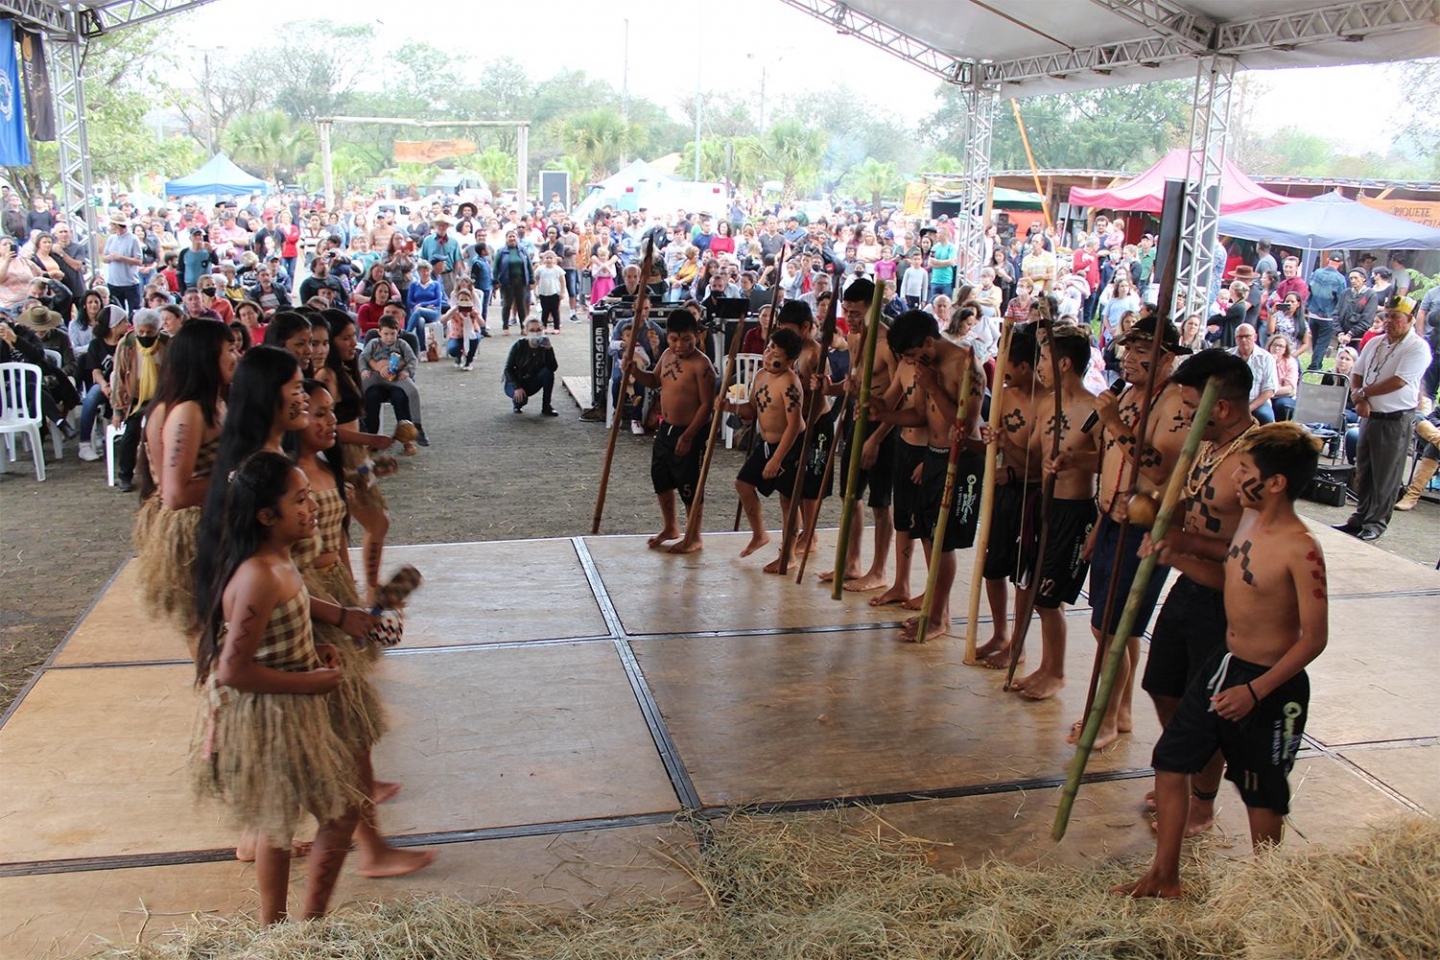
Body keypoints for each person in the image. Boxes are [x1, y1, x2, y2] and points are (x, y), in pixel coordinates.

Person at [1117, 423, 1326, 900]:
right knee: (1170, 761)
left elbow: (1315, 639)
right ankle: (1164, 876)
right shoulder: (1251, 519)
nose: (1235, 478)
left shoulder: (1301, 548)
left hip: (1270, 685)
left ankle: (1266, 892)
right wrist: (1175, 554)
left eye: (1245, 470)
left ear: (1276, 482)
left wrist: (1256, 691)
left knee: (1261, 790)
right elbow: (1233, 575)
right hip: (1225, 664)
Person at [190, 451, 363, 924]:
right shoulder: (259, 575)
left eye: (309, 496)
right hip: (269, 715)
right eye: (300, 500)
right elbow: (233, 670)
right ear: (267, 516)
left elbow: (279, 629)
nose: (312, 507)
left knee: (324, 814)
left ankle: (304, 924)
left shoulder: (279, 562)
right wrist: (308, 681)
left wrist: (314, 651)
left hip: (290, 705)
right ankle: (276, 927)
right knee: (284, 820)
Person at [293, 380, 437, 879]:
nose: (329, 422)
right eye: (313, 412)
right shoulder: (284, 476)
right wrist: (333, 617)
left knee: (349, 730)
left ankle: (358, 841)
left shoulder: (323, 464)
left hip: (332, 594)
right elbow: (280, 563)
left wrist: (360, 601)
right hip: (308, 607)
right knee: (342, 731)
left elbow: (342, 526)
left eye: (329, 412)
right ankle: (366, 847)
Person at [1138, 347, 1257, 836]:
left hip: (1228, 602)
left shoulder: (1256, 461)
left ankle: (1202, 804)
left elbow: (1253, 552)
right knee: (1162, 686)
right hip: (1188, 584)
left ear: (1221, 408)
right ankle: (1184, 769)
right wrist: (1152, 509)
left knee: (1207, 707)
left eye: (1191, 407)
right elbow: (1186, 499)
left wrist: (1181, 545)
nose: (1185, 416)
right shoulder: (1207, 446)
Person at [1082, 314, 1190, 732]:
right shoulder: (1127, 394)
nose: (1127, 358)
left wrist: (1113, 421)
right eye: (1127, 348)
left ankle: (1107, 718)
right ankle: (1120, 711)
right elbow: (1113, 460)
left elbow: (1157, 468)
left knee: (1110, 630)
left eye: (1141, 351)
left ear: (1166, 359)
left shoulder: (1175, 402)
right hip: (1112, 519)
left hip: (1142, 527)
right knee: (1118, 630)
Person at [870, 309, 983, 643]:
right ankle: (937, 611)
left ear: (929, 342)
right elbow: (920, 415)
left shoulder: (967, 366)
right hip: (932, 454)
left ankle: (937, 617)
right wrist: (882, 413)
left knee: (943, 541)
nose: (909, 362)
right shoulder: (926, 366)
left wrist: (932, 386)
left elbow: (964, 427)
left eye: (911, 355)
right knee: (930, 536)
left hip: (960, 459)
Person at [1010, 324, 1099, 701]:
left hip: (1074, 511)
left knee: (1049, 597)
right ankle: (1045, 667)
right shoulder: (1046, 403)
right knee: (1034, 591)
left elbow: (1109, 461)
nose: (1039, 366)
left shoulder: (1094, 409)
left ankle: (1057, 672)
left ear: (1064, 364)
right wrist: (999, 442)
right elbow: (1032, 453)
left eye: (1044, 358)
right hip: (1043, 506)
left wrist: (1076, 458)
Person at [970, 326, 1041, 667]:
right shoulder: (1002, 395)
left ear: (1024, 366)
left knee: (1023, 574)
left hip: (1032, 495)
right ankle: (1000, 634)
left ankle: (1018, 645)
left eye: (1006, 362)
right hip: (1003, 492)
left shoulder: (1046, 402)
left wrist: (1009, 459)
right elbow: (991, 444)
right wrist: (974, 438)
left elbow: (1043, 462)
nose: (1001, 369)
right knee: (993, 566)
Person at [1337, 296, 1433, 542]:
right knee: (1364, 469)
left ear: (1409, 320)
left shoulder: (1417, 347)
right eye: (1387, 316)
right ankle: (1360, 517)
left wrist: (1362, 394)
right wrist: (1359, 398)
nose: (1389, 321)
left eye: (1395, 317)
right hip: (1369, 414)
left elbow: (1399, 381)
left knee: (1386, 474)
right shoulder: (1375, 342)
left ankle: (1375, 522)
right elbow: (1357, 372)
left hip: (1395, 418)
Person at [627, 311, 716, 554]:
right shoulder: (666, 355)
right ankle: (670, 527)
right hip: (666, 428)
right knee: (661, 478)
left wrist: (688, 435)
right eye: (674, 339)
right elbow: (654, 381)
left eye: (686, 339)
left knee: (689, 485)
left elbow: (707, 405)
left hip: (691, 431)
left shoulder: (702, 365)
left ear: (697, 336)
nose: (680, 345)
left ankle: (694, 536)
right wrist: (635, 372)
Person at [732, 327, 806, 562]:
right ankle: (759, 534)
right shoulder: (761, 375)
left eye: (776, 355)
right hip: (765, 442)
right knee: (743, 484)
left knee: (788, 500)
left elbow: (794, 425)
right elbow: (752, 408)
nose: (768, 356)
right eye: (768, 349)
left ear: (790, 361)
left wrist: (776, 459)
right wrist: (729, 406)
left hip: (789, 445)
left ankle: (789, 555)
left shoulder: (790, 383)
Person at [109, 309, 167, 492]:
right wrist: (117, 410)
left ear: (158, 330)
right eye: (141, 332)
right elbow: (119, 377)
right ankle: (125, 475)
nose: (145, 336)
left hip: (161, 398)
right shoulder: (127, 344)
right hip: (135, 399)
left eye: (150, 332)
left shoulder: (167, 343)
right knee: (131, 433)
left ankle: (162, 475)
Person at [358, 316, 422, 444]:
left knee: (412, 391)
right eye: (386, 334)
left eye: (392, 334)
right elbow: (363, 357)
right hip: (376, 376)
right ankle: (361, 423)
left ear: (398, 332)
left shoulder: (402, 344)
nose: (389, 338)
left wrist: (406, 371)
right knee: (360, 390)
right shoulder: (374, 343)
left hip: (397, 377)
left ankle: (416, 425)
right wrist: (364, 369)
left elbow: (412, 359)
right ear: (379, 332)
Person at [504, 317, 560, 415]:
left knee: (548, 372)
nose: (536, 333)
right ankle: (517, 404)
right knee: (521, 400)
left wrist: (549, 349)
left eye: (538, 330)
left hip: (533, 380)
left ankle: (546, 406)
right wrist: (517, 387)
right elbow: (507, 369)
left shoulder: (544, 345)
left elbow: (553, 368)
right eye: (532, 330)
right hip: (516, 381)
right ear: (526, 331)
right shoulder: (519, 345)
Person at [1305, 252, 1348, 371]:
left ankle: (1316, 363)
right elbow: (1341, 298)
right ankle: (1315, 366)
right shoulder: (1340, 279)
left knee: (1315, 339)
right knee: (1322, 342)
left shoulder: (1316, 273)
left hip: (1313, 312)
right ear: (1341, 263)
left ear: (1328, 260)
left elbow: (1309, 289)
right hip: (1328, 315)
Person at [1229, 324, 1278, 424]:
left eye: (1247, 336)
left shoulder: (1266, 358)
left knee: (1265, 417)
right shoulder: (1227, 357)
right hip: (1231, 402)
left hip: (1257, 402)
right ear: (1235, 339)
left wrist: (1248, 408)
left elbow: (1269, 390)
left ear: (1255, 337)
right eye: (1240, 337)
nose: (1243, 340)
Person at [494, 231, 534, 334]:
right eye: (510, 237)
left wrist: (532, 280)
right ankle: (505, 327)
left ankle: (523, 327)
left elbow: (529, 266)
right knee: (507, 304)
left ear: (517, 238)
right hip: (507, 282)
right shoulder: (501, 252)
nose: (512, 238)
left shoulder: (523, 251)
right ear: (506, 238)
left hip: (521, 282)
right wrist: (495, 281)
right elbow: (495, 267)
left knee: (521, 305)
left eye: (514, 236)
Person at [103, 213, 144, 312]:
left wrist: (121, 258)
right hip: (113, 282)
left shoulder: (133, 239)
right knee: (116, 312)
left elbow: (139, 261)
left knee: (135, 311)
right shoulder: (111, 239)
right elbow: (104, 258)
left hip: (130, 282)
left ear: (116, 225)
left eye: (111, 224)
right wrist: (110, 258)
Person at [405, 260, 446, 356]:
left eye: (427, 271)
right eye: (423, 271)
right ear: (419, 272)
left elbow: (438, 301)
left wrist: (421, 305)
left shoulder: (436, 284)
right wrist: (418, 306)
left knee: (419, 310)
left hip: (433, 312)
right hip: (419, 313)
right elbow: (409, 302)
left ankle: (406, 335)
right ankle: (422, 350)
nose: (425, 273)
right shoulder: (414, 285)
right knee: (420, 321)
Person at [443, 289, 483, 370]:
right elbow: (442, 320)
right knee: (452, 349)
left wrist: (476, 315)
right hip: (456, 336)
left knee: (475, 338)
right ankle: (458, 356)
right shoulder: (454, 310)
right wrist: (452, 311)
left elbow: (482, 324)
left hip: (471, 334)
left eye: (466, 300)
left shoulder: (473, 310)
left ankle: (469, 361)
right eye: (461, 300)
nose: (464, 302)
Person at [534, 250, 566, 334]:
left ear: (554, 259)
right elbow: (536, 280)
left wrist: (562, 292)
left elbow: (562, 281)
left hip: (555, 293)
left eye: (551, 258)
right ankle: (543, 327)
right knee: (545, 311)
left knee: (555, 311)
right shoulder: (540, 269)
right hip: (543, 293)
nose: (549, 260)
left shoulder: (558, 269)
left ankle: (556, 327)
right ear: (543, 259)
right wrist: (535, 290)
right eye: (547, 258)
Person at [1268, 334, 1299, 422]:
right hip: (1263, 396)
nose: (1277, 348)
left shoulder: (1290, 362)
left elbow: (1288, 389)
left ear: (1285, 349)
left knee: (1282, 405)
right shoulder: (1263, 359)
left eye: (1280, 346)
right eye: (1274, 345)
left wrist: (1269, 392)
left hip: (1283, 396)